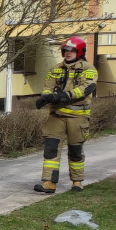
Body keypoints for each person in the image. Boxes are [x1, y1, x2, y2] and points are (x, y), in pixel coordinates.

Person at [34, 36, 97, 194]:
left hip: (78, 118)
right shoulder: (55, 69)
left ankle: (77, 182)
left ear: (80, 51)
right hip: (56, 115)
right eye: (65, 50)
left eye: (71, 50)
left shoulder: (89, 69)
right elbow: (48, 86)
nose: (67, 53)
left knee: (75, 150)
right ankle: (49, 182)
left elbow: (85, 89)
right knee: (51, 148)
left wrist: (63, 96)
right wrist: (45, 98)